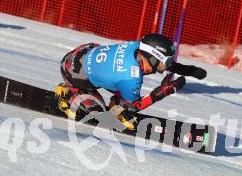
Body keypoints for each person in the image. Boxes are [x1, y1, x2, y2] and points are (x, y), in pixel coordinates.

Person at [55, 33, 207, 130]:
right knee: (99, 115)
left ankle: (118, 106)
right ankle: (67, 94)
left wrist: (191, 71)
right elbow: (135, 106)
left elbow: (161, 59)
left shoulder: (137, 45)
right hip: (73, 73)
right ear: (152, 58)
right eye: (163, 64)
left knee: (120, 94)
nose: (164, 68)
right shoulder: (131, 77)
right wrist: (163, 92)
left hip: (85, 51)